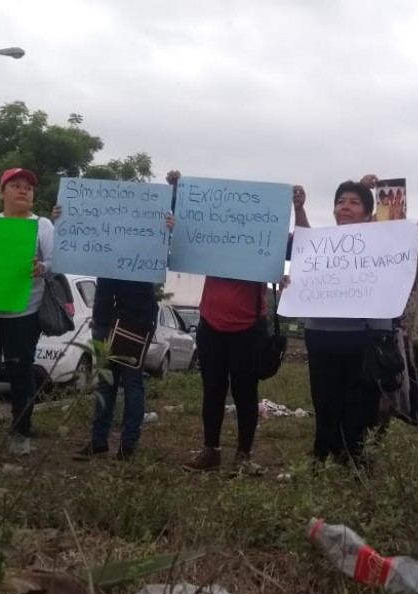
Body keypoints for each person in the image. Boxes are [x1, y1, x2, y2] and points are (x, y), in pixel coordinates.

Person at [173, 170, 304, 475]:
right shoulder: (211, 234)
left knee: (245, 393)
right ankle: (211, 451)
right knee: (213, 390)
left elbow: (304, 245)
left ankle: (243, 456)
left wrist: (298, 208)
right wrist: (177, 193)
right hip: (211, 324)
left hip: (248, 328)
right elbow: (185, 231)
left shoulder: (268, 235)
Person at [56, 202, 175, 462]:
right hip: (104, 317)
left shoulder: (149, 245)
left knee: (132, 382)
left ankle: (128, 445)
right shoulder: (106, 240)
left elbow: (166, 253)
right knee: (105, 382)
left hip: (135, 318)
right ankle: (99, 441)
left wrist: (168, 227)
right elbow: (76, 245)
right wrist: (63, 222)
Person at [285, 181, 389, 464]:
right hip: (320, 334)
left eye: (354, 202)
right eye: (341, 201)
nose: (345, 206)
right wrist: (299, 208)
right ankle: (323, 455)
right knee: (324, 399)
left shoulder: (381, 244)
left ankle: (353, 458)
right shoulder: (322, 241)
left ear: (369, 214)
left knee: (358, 401)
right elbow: (304, 243)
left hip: (362, 336)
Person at [0, 168, 53, 456]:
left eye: (28, 188)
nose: (23, 191)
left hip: (23, 312)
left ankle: (20, 433)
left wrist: (42, 267)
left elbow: (55, 262)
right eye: (15, 185)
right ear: (1, 192)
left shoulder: (42, 225)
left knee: (21, 373)